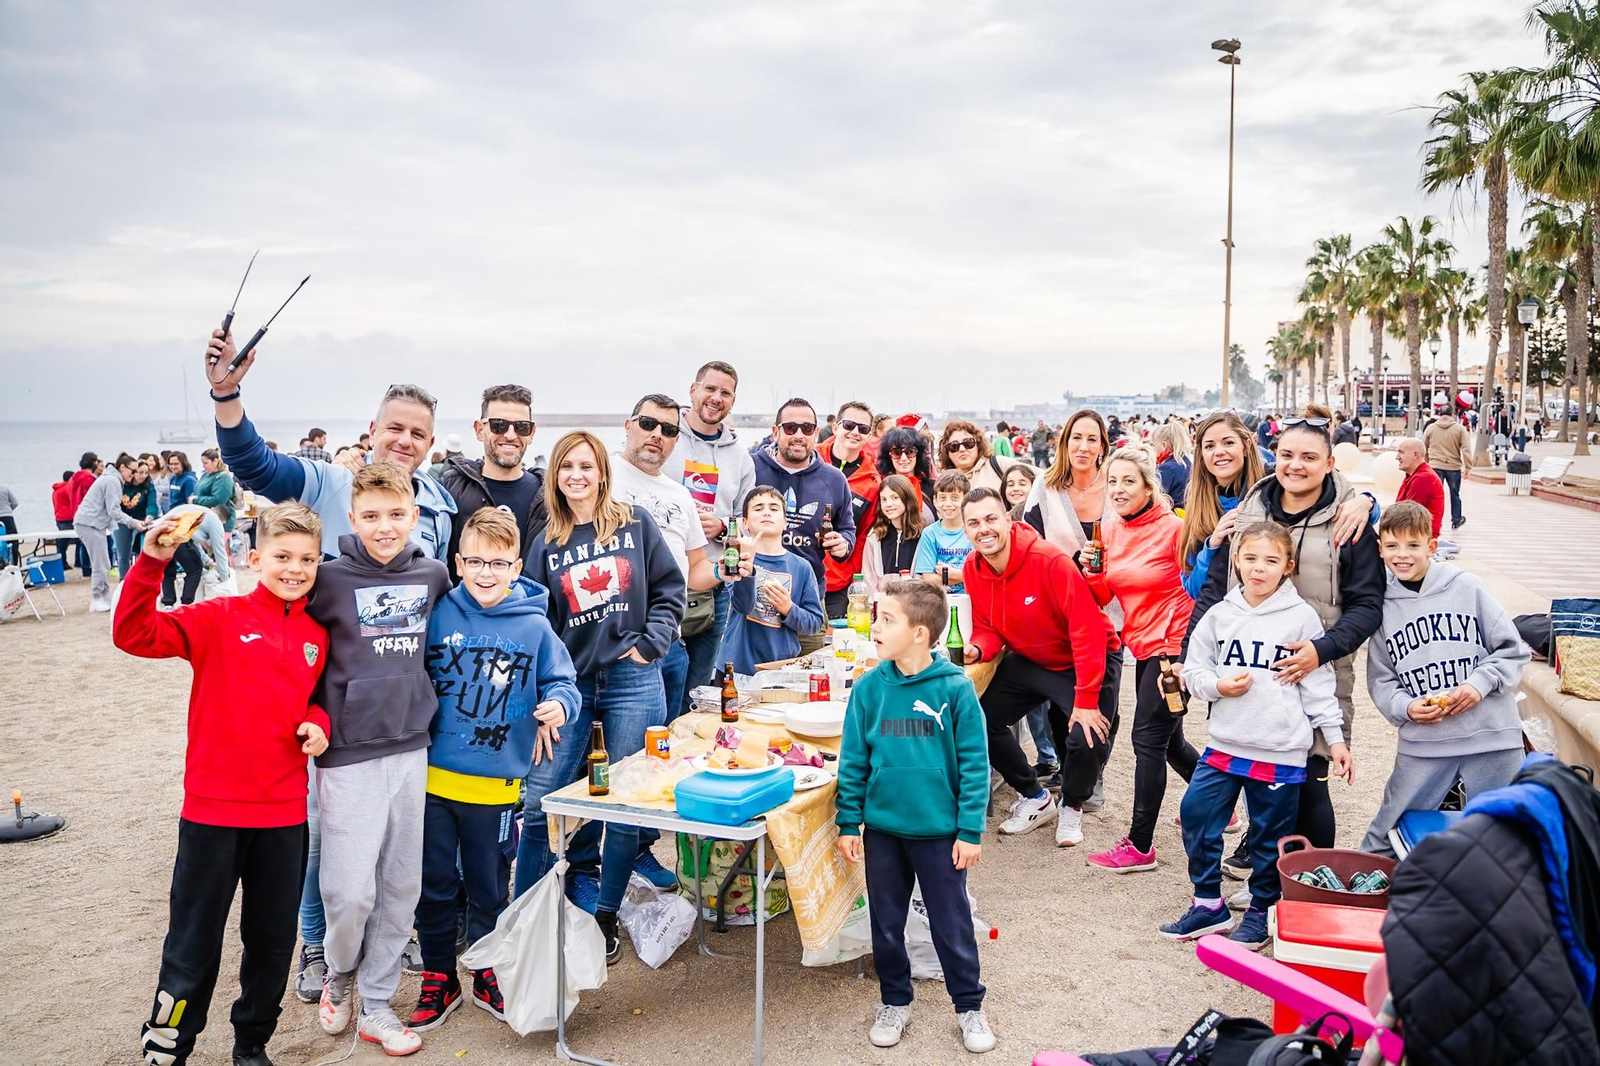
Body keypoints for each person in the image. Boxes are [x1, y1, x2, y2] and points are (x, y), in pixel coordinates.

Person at [115, 503, 330, 1066]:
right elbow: (133, 633)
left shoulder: (316, 635)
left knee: (272, 943)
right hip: (212, 814)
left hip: (285, 816)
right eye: (283, 556)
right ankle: (168, 1044)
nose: (295, 568)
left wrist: (320, 723)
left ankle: (252, 1044)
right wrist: (151, 561)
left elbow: (317, 699)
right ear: (255, 558)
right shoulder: (219, 616)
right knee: (193, 941)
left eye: (307, 559)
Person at [409, 508, 581, 1033]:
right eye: (476, 561)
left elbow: (564, 683)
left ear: (517, 566)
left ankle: (486, 969)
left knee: (488, 885)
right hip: (433, 782)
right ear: (458, 563)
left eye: (499, 563)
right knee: (434, 885)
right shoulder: (437, 614)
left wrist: (558, 706)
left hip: (497, 787)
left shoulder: (534, 626)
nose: (486, 572)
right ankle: (439, 977)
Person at [518, 431, 686, 962]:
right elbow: (534, 619)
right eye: (567, 467)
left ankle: (606, 914)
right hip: (570, 685)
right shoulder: (545, 540)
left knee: (624, 799)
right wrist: (547, 684)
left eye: (586, 465)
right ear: (555, 475)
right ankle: (525, 915)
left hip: (632, 679)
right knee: (541, 796)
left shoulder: (635, 523)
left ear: (602, 471)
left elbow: (670, 589)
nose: (577, 475)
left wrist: (650, 645)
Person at [306, 462, 452, 1056]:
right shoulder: (328, 580)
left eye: (396, 515)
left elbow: (483, 602)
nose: (385, 526)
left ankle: (377, 1001)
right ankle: (340, 972)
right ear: (353, 519)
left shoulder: (433, 574)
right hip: (344, 755)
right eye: (371, 516)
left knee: (399, 885)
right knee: (348, 890)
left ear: (414, 515)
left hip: (411, 747)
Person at [1187, 416, 1381, 852]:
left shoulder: (1348, 521)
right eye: (1288, 455)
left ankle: (1306, 887)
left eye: (1310, 457)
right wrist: (1190, 655)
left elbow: (1368, 604)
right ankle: (1265, 881)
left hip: (1317, 667)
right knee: (1255, 780)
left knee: (1311, 783)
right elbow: (1217, 591)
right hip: (1250, 670)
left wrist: (1320, 650)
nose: (1296, 466)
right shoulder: (1250, 512)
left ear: (1329, 463)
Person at [1163, 521, 1347, 950]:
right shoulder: (1221, 613)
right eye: (1250, 558)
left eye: (1270, 560)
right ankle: (1208, 903)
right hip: (1225, 742)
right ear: (1238, 560)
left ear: (1288, 565)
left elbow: (1319, 685)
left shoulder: (1301, 617)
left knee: (1269, 837)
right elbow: (1194, 669)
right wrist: (1217, 687)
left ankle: (1262, 910)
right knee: (1196, 815)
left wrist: (1335, 741)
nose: (1258, 568)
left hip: (1280, 750)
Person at [834, 579, 995, 1055]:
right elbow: (854, 759)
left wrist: (970, 830)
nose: (874, 626)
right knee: (886, 922)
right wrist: (848, 821)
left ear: (920, 633)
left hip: (941, 835)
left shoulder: (956, 690)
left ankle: (969, 1007)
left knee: (952, 924)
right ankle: (894, 1001)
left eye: (886, 619)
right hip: (883, 831)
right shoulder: (867, 688)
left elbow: (974, 764)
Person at [1360, 502, 1530, 854]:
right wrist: (1406, 707)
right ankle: (1370, 902)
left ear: (1432, 547)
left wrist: (1478, 684)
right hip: (1425, 740)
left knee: (1508, 839)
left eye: (1413, 545)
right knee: (1385, 836)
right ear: (1380, 549)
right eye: (1392, 546)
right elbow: (1381, 679)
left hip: (1492, 738)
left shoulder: (1468, 587)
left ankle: (1498, 907)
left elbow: (1513, 649)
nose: (1402, 555)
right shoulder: (1381, 605)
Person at [960, 488, 1121, 848]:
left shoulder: (1049, 560)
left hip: (1087, 654)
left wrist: (1086, 699)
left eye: (990, 519)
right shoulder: (973, 568)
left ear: (1007, 519)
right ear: (966, 530)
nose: (983, 529)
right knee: (978, 719)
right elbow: (988, 627)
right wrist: (978, 648)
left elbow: (1087, 629)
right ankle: (1035, 797)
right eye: (973, 523)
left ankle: (1073, 804)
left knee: (1086, 734)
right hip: (1033, 658)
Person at [207, 330, 457, 560]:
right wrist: (226, 392)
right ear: (373, 430)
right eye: (395, 428)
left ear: (430, 443)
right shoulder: (331, 481)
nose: (404, 441)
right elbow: (254, 465)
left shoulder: (438, 508)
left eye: (417, 434)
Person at [1081, 448, 1201, 874]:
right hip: (1143, 645)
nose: (1118, 490)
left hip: (1174, 647)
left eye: (1128, 481)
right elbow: (1103, 596)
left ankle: (1140, 845)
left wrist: (1190, 652)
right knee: (1170, 742)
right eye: (1112, 481)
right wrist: (1091, 571)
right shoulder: (1110, 528)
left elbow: (1200, 587)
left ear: (1150, 486)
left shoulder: (1173, 530)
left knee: (1147, 741)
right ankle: (1220, 806)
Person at [610, 395, 718, 717]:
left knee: (664, 753)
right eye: (648, 424)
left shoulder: (681, 494)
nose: (657, 434)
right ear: (629, 426)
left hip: (670, 641)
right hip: (616, 642)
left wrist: (726, 570)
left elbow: (695, 568)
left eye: (669, 429)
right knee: (614, 759)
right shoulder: (601, 474)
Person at [660, 361, 757, 716]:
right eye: (709, 389)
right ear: (693, 390)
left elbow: (747, 522)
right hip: (663, 586)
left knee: (699, 688)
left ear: (733, 401)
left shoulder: (740, 457)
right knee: (661, 685)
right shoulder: (667, 437)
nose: (716, 398)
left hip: (714, 584)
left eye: (725, 393)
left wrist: (723, 525)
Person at [750, 398, 855, 637]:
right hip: (755, 599)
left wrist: (842, 544)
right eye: (790, 428)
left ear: (816, 434)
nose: (799, 434)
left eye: (807, 428)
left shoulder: (834, 479)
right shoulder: (752, 468)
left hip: (808, 600)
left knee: (811, 672)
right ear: (775, 432)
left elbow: (848, 530)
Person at [441, 385, 547, 581]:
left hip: (533, 609)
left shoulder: (550, 496)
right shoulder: (449, 490)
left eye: (521, 427)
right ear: (480, 430)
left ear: (531, 433)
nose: (510, 435)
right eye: (499, 425)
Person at [720, 486, 825, 674]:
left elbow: (815, 622)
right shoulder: (735, 557)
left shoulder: (802, 567)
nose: (766, 512)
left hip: (781, 668)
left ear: (786, 522)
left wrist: (788, 609)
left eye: (774, 508)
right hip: (736, 666)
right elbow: (742, 606)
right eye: (758, 508)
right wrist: (748, 567)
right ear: (745, 522)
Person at [817, 401, 882, 619]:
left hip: (838, 582)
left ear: (869, 434)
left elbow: (862, 535)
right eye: (849, 425)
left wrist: (853, 576)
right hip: (796, 571)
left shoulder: (872, 482)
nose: (855, 432)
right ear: (835, 427)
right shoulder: (809, 459)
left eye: (862, 429)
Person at [73, 452, 149, 611]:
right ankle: (96, 599)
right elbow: (114, 511)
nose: (134, 475)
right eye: (132, 471)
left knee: (103, 563)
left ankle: (103, 597)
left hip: (93, 523)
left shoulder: (111, 479)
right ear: (122, 467)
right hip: (90, 523)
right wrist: (135, 523)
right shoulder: (113, 481)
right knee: (100, 564)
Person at [861, 474, 925, 592]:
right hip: (881, 605)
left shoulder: (924, 535)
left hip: (913, 605)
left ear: (907, 499)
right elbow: (868, 577)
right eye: (884, 499)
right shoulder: (875, 536)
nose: (888, 504)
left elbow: (924, 579)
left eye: (895, 498)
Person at [913, 471, 973, 594]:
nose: (948, 504)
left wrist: (954, 574)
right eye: (942, 498)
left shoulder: (974, 530)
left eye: (955, 498)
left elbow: (984, 575)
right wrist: (968, 576)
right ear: (935, 501)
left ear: (966, 499)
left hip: (972, 599)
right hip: (942, 602)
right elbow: (929, 578)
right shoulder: (930, 534)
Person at [1422, 408, 1472, 530]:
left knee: (1435, 495)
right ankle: (1456, 520)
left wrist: (1427, 461)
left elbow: (1423, 445)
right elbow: (1466, 449)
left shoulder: (1431, 428)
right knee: (1454, 494)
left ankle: (1434, 521)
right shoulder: (1460, 429)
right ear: (1453, 414)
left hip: (1435, 466)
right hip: (1453, 466)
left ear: (1440, 414)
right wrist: (1468, 466)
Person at [875, 426, 936, 519]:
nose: (904, 458)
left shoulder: (932, 488)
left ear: (918, 454)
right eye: (897, 452)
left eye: (909, 452)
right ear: (889, 456)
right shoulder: (880, 487)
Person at [938, 419, 1013, 493]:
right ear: (947, 451)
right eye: (954, 446)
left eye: (968, 443)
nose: (962, 449)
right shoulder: (944, 482)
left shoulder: (999, 464)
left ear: (978, 445)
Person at [1394, 437, 1445, 538]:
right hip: (1415, 535)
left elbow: (1406, 516)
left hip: (1418, 538)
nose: (1397, 457)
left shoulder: (1423, 478)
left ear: (1415, 455)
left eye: (1401, 452)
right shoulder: (1415, 475)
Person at [113, 460, 157, 576]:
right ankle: (123, 580)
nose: (143, 476)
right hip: (123, 520)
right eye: (140, 472)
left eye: (146, 473)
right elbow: (116, 506)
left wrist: (149, 517)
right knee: (123, 554)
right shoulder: (122, 485)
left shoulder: (148, 486)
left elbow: (152, 504)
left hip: (141, 520)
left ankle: (141, 576)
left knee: (140, 550)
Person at [191, 448, 238, 531]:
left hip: (221, 522)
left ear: (215, 461)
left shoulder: (223, 477)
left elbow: (219, 500)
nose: (203, 466)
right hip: (204, 520)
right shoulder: (205, 476)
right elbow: (198, 491)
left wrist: (196, 500)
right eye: (202, 463)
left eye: (206, 463)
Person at [1150, 423, 1191, 508]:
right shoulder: (1186, 462)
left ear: (1164, 445)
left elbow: (1155, 499)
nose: (1152, 449)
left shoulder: (1167, 468)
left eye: (1153, 445)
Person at [52, 470, 84, 576]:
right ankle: (77, 561)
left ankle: (64, 561)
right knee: (79, 539)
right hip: (68, 518)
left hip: (59, 517)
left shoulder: (56, 490)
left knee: (63, 542)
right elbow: (75, 500)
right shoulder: (67, 488)